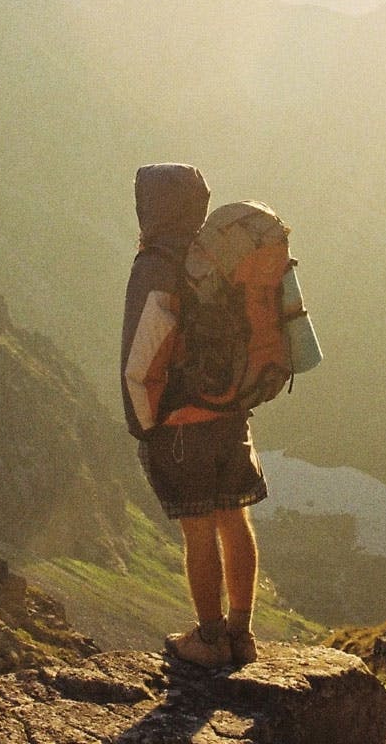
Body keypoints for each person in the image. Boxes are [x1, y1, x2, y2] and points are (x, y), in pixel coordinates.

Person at [120, 163, 267, 668]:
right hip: (231, 413)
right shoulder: (221, 257)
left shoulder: (156, 265)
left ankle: (208, 639)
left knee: (198, 530)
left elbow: (141, 357)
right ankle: (242, 635)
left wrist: (144, 426)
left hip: (181, 425)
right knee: (235, 516)